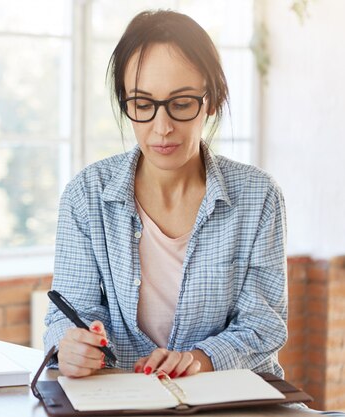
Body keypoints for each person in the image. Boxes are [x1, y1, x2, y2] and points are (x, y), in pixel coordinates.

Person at [43, 9, 288, 380]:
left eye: (182, 103)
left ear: (213, 100)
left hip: (228, 398)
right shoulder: (86, 196)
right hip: (123, 399)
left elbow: (262, 326)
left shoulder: (259, 196)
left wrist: (200, 359)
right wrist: (68, 345)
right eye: (143, 105)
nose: (162, 127)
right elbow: (67, 313)